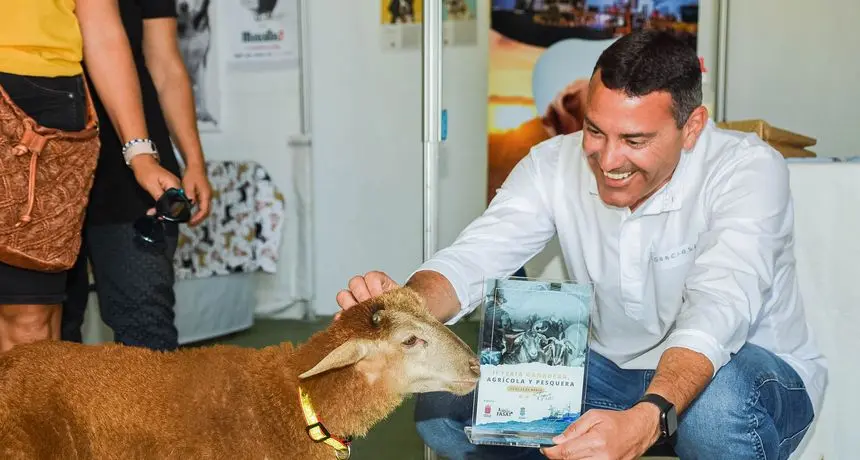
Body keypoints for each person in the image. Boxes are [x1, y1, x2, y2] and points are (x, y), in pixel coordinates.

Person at [334, 30, 826, 460]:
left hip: (746, 374)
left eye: (635, 140)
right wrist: (401, 308)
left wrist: (650, 415)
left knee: (715, 412)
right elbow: (476, 256)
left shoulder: (748, 168)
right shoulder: (552, 163)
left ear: (692, 127)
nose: (607, 159)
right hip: (611, 373)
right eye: (595, 129)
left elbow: (719, 306)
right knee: (444, 409)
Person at [0, 0, 182, 352]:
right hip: (42, 98)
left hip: (37, 99)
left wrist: (140, 153)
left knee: (30, 319)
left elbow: (102, 30)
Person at [61, 0, 212, 351]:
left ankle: (156, 408)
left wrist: (194, 160)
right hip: (46, 152)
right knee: (52, 331)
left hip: (134, 166)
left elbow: (166, 64)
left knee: (147, 324)